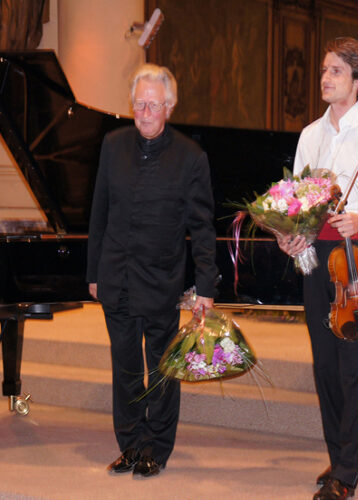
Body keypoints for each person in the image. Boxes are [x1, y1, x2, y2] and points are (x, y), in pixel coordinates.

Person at [277, 37, 358, 500]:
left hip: (354, 258)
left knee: (353, 363)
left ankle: (348, 471)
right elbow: (295, 202)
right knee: (325, 364)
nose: (325, 78)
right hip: (316, 259)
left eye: (335, 71)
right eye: (324, 70)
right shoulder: (310, 135)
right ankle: (338, 455)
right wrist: (288, 233)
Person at [86, 63, 218, 477]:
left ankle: (156, 448)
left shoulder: (191, 157)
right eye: (139, 104)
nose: (144, 113)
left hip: (161, 281)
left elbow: (203, 228)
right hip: (116, 278)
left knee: (162, 370)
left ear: (169, 106)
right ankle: (130, 444)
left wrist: (206, 285)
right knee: (125, 369)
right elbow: (99, 213)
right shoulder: (113, 145)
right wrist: (93, 273)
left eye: (153, 105)